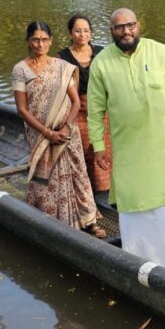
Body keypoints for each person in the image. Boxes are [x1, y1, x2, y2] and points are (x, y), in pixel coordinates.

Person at [87, 8, 165, 268]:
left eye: (130, 25)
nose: (126, 31)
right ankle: (143, 257)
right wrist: (99, 146)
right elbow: (95, 111)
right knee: (135, 201)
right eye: (119, 27)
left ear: (139, 26)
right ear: (111, 31)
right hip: (128, 149)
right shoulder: (101, 63)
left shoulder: (160, 52)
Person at [11, 21, 105, 238]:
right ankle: (54, 222)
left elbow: (75, 102)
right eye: (35, 39)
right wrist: (47, 133)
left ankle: (89, 221)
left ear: (51, 41)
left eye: (44, 39)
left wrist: (66, 126)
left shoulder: (61, 67)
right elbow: (22, 109)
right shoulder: (20, 70)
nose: (40, 44)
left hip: (66, 134)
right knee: (48, 181)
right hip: (41, 135)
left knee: (78, 176)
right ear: (28, 41)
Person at [56, 13, 112, 194]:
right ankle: (86, 190)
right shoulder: (62, 57)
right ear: (70, 33)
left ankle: (107, 188)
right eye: (78, 31)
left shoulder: (103, 52)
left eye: (86, 31)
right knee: (84, 150)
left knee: (105, 146)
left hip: (102, 109)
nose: (82, 35)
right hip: (77, 111)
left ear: (91, 33)